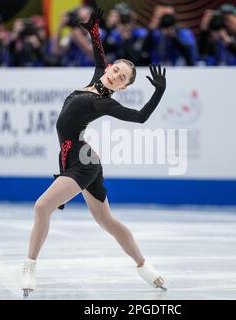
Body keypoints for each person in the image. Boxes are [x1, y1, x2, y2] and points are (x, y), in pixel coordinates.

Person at [20, 8, 167, 298]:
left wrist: (158, 93)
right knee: (107, 222)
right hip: (83, 158)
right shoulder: (100, 75)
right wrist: (93, 30)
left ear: (123, 88)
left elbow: (139, 118)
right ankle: (146, 268)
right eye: (116, 70)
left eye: (121, 78)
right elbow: (100, 55)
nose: (115, 76)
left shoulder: (105, 103)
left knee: (41, 207)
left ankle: (29, 267)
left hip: (82, 162)